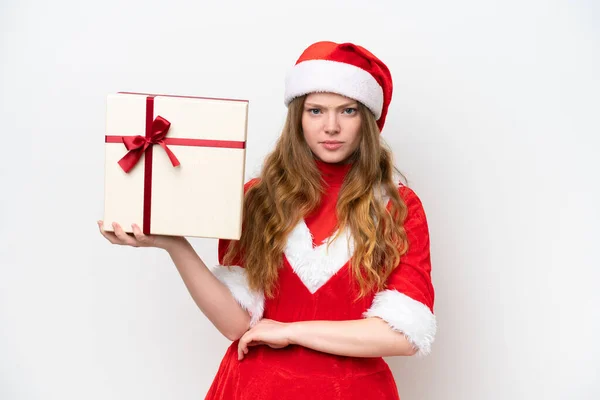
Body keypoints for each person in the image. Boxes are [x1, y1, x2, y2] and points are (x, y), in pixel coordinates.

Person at [98, 40, 437, 399]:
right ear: (298, 117)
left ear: (367, 120)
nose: (331, 126)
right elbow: (236, 324)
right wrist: (173, 244)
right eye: (316, 111)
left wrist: (291, 331)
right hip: (255, 387)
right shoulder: (258, 197)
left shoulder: (397, 207)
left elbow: (403, 335)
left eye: (348, 111)